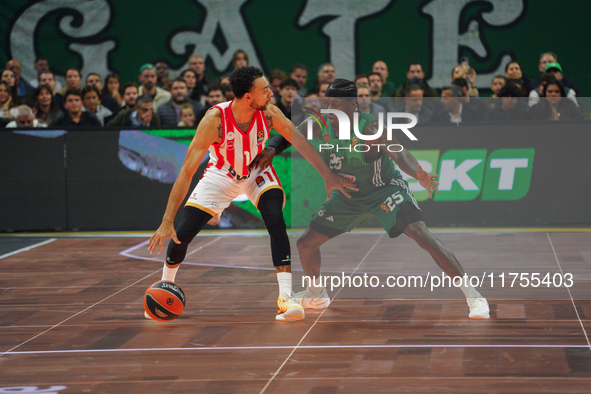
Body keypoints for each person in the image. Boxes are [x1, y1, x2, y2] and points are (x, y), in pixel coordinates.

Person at [266, 79, 489, 319]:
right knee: (305, 244)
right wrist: (269, 149)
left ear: (353, 105)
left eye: (335, 104)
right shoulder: (320, 124)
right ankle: (316, 294)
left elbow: (399, 152)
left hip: (384, 189)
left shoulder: (370, 128)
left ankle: (474, 296)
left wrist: (418, 172)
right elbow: (289, 135)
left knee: (422, 235)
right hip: (349, 194)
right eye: (326, 103)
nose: (328, 110)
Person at [147, 66, 355, 322]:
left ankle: (285, 298)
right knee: (184, 231)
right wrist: (167, 219)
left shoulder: (268, 112)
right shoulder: (214, 121)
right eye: (264, 89)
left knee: (275, 220)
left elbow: (299, 140)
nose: (270, 92)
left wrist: (328, 176)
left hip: (257, 171)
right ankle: (165, 286)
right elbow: (186, 173)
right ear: (247, 96)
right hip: (222, 175)